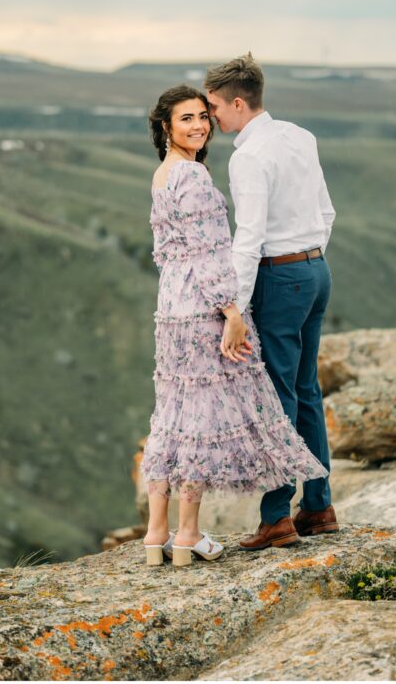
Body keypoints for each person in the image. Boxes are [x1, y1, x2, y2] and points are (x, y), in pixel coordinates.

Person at [139, 85, 328, 567]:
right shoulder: (196, 176)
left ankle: (155, 534)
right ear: (166, 127)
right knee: (202, 417)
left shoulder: (161, 176)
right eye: (188, 119)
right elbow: (209, 255)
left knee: (171, 413)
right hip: (204, 304)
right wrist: (231, 312)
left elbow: (166, 252)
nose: (201, 125)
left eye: (204, 116)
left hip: (171, 304)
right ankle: (188, 533)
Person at [203, 55, 338, 551]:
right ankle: (319, 507)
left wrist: (233, 308)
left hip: (280, 278)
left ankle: (277, 517)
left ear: (238, 103)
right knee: (306, 389)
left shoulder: (248, 157)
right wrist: (308, 256)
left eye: (215, 107)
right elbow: (326, 211)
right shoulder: (301, 137)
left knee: (275, 396)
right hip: (317, 270)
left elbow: (249, 236)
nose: (212, 117)